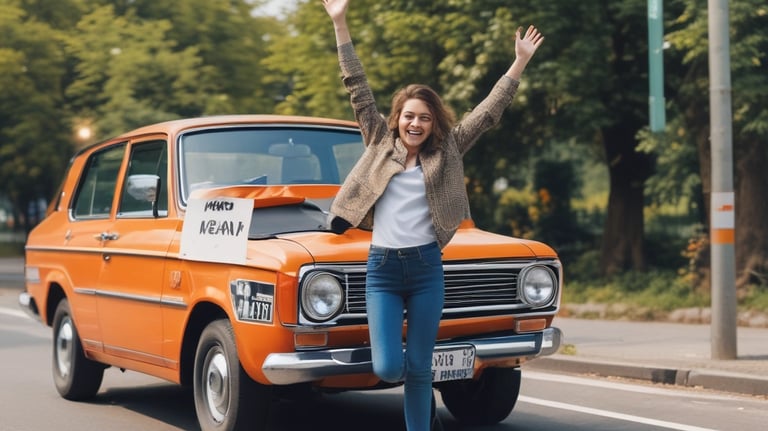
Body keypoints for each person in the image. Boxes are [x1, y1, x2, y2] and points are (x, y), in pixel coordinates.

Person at [321, 1, 544, 429]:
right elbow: (355, 84)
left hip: (426, 269)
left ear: (433, 121)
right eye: (409, 116)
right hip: (382, 270)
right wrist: (340, 22)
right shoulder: (378, 141)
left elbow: (487, 114)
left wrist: (517, 64)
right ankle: (418, 389)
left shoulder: (448, 151)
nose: (415, 124)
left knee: (421, 368)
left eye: (424, 118)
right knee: (389, 367)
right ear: (397, 119)